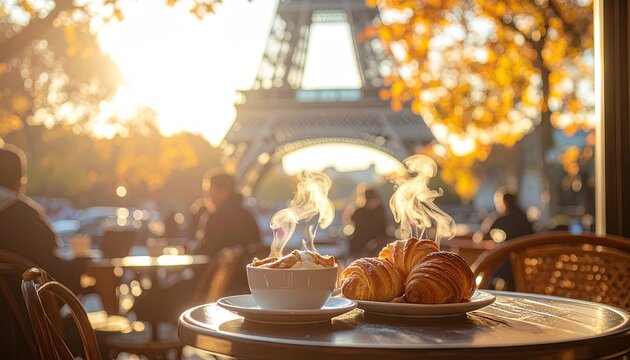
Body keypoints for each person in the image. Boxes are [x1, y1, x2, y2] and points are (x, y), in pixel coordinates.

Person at [0, 142, 81, 358]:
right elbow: (56, 280)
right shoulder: (27, 217)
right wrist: (82, 265)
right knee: (89, 336)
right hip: (27, 341)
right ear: (19, 183)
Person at [476, 185, 534, 290]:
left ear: (504, 202)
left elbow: (480, 237)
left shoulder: (501, 219)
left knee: (490, 272)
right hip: (526, 263)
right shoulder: (525, 219)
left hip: (508, 262)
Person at [346, 185, 388, 259]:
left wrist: (375, 243)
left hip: (375, 249)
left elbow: (383, 231)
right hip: (359, 248)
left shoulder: (380, 211)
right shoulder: (359, 212)